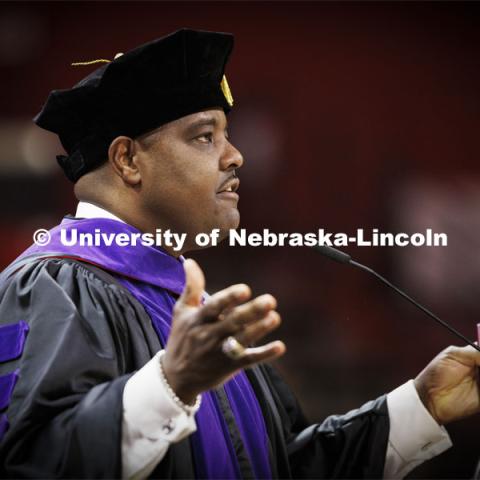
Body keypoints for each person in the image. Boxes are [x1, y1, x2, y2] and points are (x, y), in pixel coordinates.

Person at [0, 28, 478, 479]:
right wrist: (170, 383)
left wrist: (422, 404)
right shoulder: (53, 287)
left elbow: (281, 466)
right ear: (127, 160)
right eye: (205, 136)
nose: (235, 156)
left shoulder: (201, 313)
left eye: (226, 135)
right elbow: (31, 463)